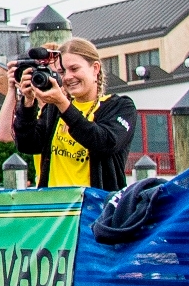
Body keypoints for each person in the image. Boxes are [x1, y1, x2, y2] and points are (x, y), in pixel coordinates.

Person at [11, 35, 135, 189]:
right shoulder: (54, 108)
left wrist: (62, 103)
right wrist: (28, 103)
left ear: (95, 68)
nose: (68, 77)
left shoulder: (120, 106)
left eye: (74, 69)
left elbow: (105, 143)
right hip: (55, 201)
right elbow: (27, 145)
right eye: (62, 72)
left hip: (95, 202)